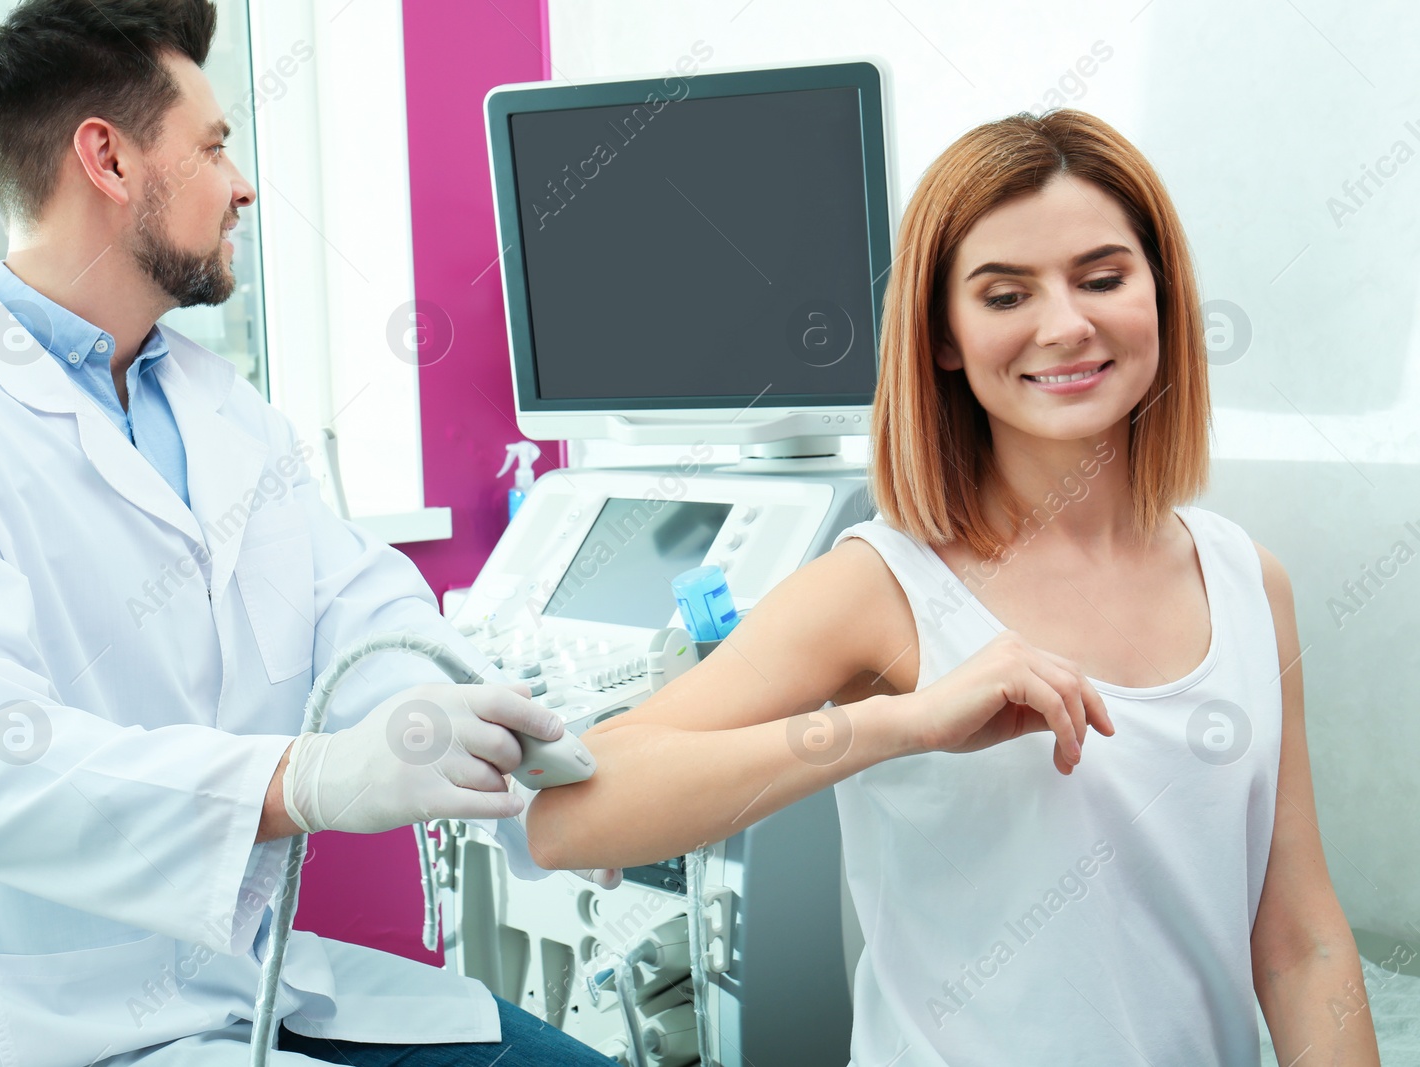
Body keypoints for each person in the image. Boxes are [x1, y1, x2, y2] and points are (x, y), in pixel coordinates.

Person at [0, 1, 616, 1064]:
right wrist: (308, 777)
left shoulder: (217, 402)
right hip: (17, 1003)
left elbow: (357, 609)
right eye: (211, 146)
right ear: (105, 158)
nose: (241, 184)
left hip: (241, 967)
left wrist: (494, 738)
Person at [527, 110, 1381, 1066]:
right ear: (942, 335)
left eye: (1103, 278)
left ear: (1162, 296)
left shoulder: (1246, 581)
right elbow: (573, 817)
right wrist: (903, 725)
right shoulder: (878, 586)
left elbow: (1302, 947)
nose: (1067, 324)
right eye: (1005, 294)